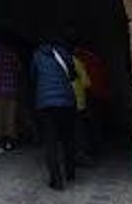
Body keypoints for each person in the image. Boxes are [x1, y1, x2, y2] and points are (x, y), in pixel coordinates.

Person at [31, 33, 77, 191]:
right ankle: (70, 172)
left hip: (46, 104)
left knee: (50, 142)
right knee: (67, 139)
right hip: (66, 103)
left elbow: (33, 76)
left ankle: (56, 180)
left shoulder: (37, 55)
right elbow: (73, 75)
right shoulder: (64, 54)